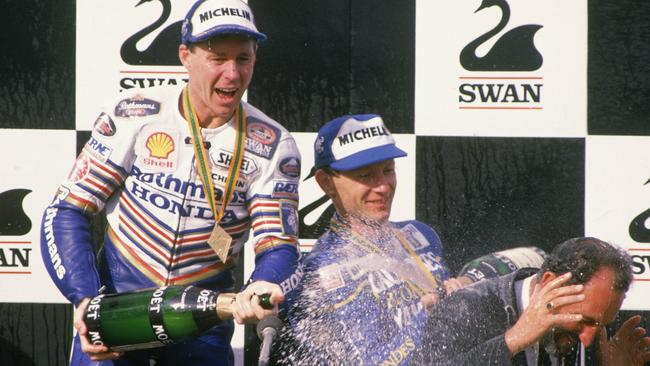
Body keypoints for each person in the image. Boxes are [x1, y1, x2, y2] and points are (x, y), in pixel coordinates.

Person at [39, 0, 301, 365]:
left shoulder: (273, 144)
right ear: (185, 55)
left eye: (243, 59)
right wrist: (86, 300)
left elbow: (279, 246)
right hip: (117, 312)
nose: (232, 74)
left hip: (201, 329)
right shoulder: (135, 114)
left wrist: (264, 282)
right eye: (217, 57)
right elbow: (66, 211)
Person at [272, 114, 451, 365]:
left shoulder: (422, 234)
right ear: (326, 183)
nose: (383, 187)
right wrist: (426, 316)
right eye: (366, 176)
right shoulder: (318, 273)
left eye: (388, 170)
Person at [413, 236, 650, 366]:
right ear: (548, 282)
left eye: (600, 325)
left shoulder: (592, 343)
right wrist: (513, 340)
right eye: (583, 321)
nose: (588, 339)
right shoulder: (466, 309)